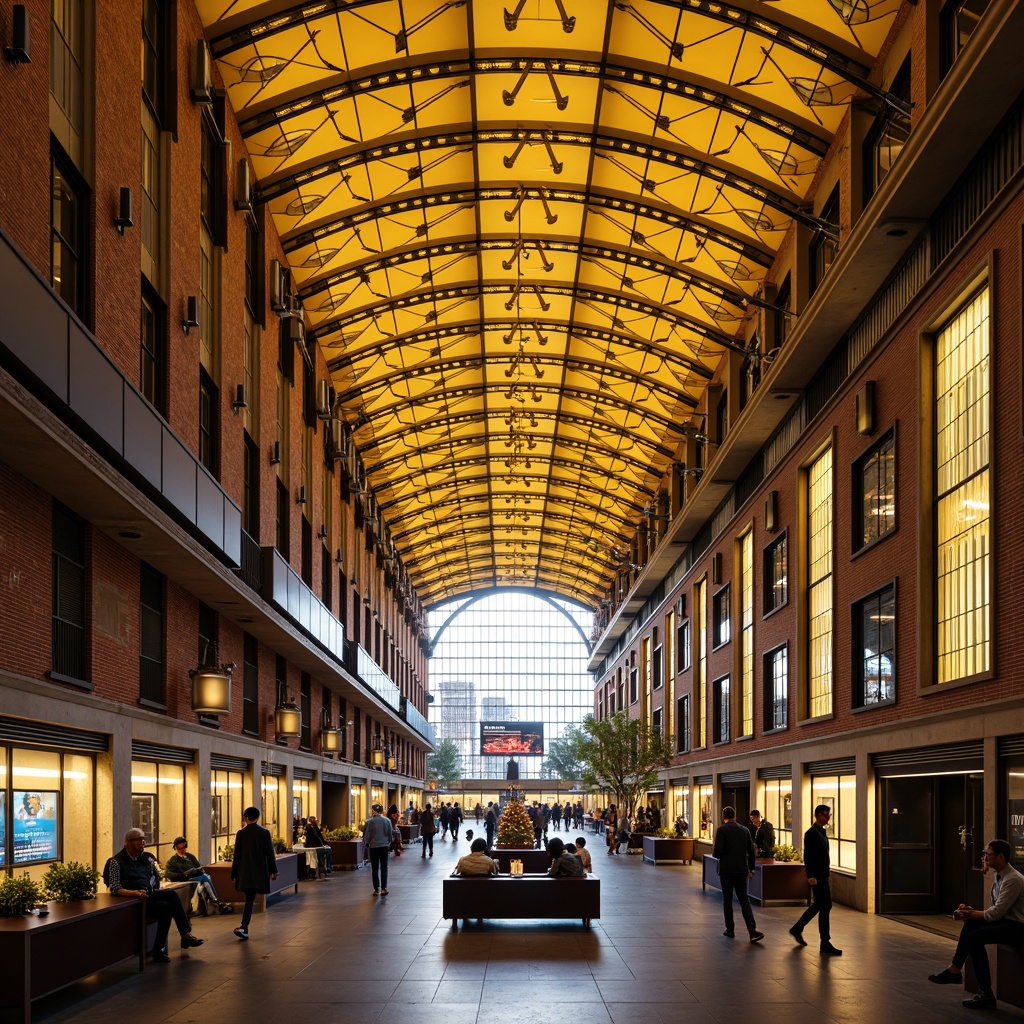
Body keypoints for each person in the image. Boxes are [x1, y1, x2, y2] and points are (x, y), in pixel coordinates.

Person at [928, 838, 1024, 1010]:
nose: (984, 857)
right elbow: (995, 911)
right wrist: (970, 913)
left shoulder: (1013, 879)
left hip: (1017, 927)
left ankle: (976, 986)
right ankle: (958, 972)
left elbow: (994, 913)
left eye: (988, 854)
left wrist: (969, 913)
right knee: (970, 926)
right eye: (984, 854)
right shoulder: (999, 876)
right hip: (1005, 922)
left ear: (1001, 857)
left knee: (974, 936)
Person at [106, 827, 205, 962]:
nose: (142, 843)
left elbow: (157, 876)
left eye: (143, 840)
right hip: (133, 901)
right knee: (166, 908)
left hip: (147, 894)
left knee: (171, 895)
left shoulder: (145, 859)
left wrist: (153, 880)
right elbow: (115, 888)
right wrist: (134, 893)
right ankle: (158, 950)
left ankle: (185, 934)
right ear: (127, 842)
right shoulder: (116, 862)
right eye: (138, 840)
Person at [790, 804, 842, 956]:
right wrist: (811, 876)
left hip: (822, 874)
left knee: (822, 905)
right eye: (827, 815)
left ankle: (799, 929)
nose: (828, 818)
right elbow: (809, 856)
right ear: (819, 815)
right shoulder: (812, 833)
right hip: (817, 876)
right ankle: (824, 941)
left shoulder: (821, 832)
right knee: (825, 905)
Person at [712, 806, 764, 942]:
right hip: (741, 870)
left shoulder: (722, 830)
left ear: (724, 816)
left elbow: (717, 852)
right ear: (735, 816)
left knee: (727, 900)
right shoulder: (745, 830)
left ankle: (730, 930)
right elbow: (752, 852)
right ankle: (752, 931)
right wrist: (751, 869)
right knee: (744, 899)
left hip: (726, 871)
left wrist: (720, 854)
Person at [231, 806, 278, 941]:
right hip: (259, 871)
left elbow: (237, 855)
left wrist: (234, 873)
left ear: (245, 818)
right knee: (250, 899)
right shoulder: (264, 833)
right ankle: (244, 927)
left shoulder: (241, 834)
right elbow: (270, 853)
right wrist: (273, 870)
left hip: (245, 872)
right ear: (258, 817)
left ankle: (244, 927)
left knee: (249, 899)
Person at [164, 836, 234, 914]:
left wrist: (198, 871)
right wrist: (183, 875)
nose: (182, 850)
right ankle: (217, 902)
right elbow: (168, 874)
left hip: (194, 876)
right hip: (184, 879)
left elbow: (198, 867)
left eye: (184, 847)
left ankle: (215, 903)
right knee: (205, 878)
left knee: (205, 879)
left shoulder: (190, 856)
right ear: (175, 848)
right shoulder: (173, 861)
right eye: (180, 848)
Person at [363, 803, 394, 895]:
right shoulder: (387, 821)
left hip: (374, 847)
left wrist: (367, 843)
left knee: (375, 868)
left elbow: (366, 835)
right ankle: (384, 888)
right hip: (384, 846)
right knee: (384, 867)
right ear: (381, 811)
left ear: (373, 811)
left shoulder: (369, 822)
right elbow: (390, 834)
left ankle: (376, 889)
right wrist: (388, 842)